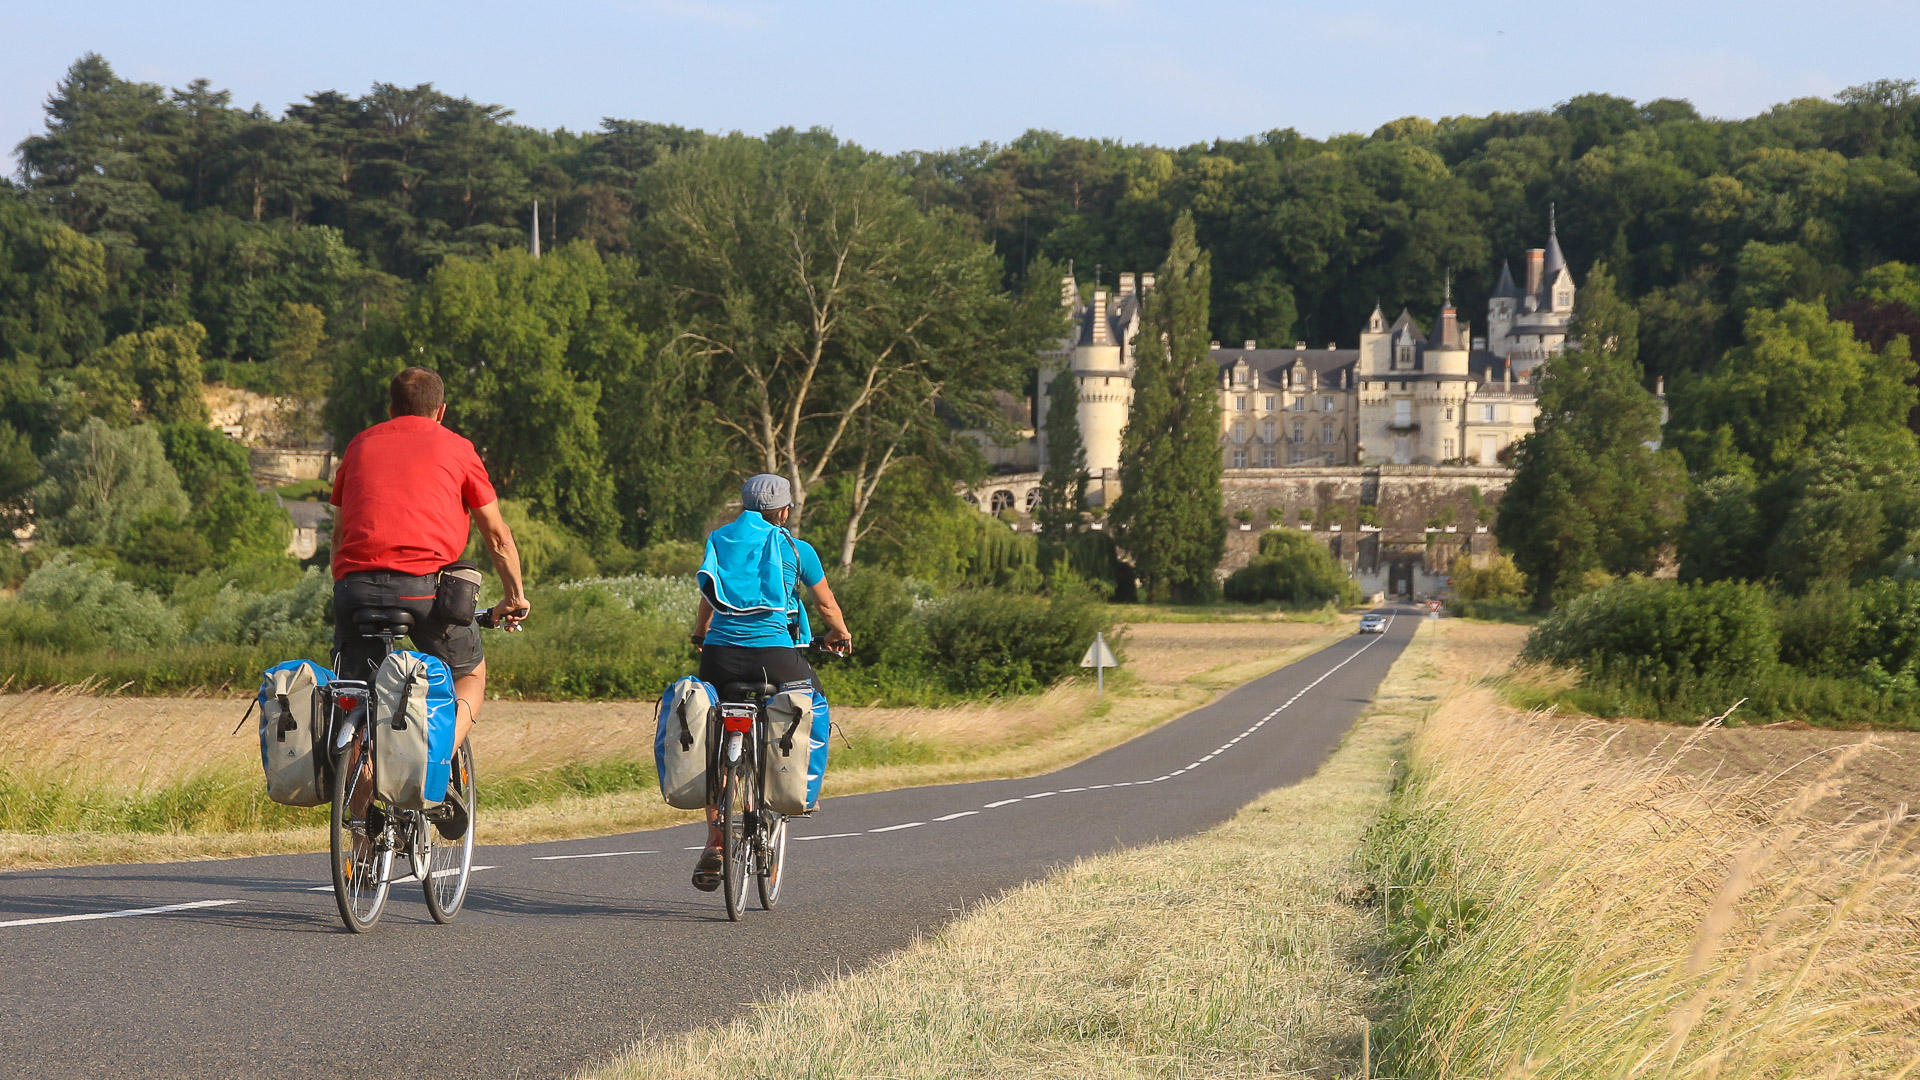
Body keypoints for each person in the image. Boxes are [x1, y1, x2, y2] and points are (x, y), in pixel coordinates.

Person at [330, 367, 530, 831]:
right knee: (470, 675)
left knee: (360, 694)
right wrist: (515, 596)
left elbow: (340, 533)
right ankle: (434, 765)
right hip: (422, 589)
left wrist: (348, 590)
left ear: (390, 408)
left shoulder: (359, 445)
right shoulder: (457, 448)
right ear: (440, 411)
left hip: (354, 589)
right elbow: (497, 537)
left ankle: (360, 838)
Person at [689, 473, 851, 890]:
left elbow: (710, 596)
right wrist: (840, 635)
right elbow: (827, 604)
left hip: (720, 658)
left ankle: (715, 839)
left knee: (710, 731)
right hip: (775, 659)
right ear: (782, 510)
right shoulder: (797, 548)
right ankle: (798, 791)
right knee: (812, 704)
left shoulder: (720, 539)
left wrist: (700, 637)